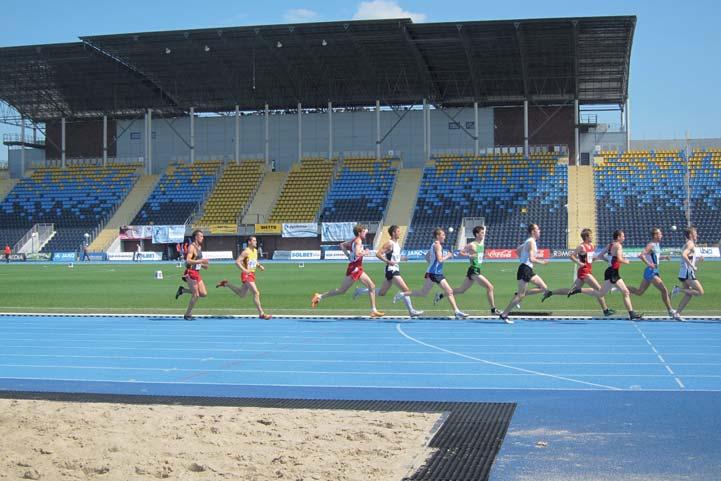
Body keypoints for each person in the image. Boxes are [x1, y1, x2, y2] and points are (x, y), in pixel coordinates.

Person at [311, 224, 384, 318]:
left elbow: (342, 245)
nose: (366, 233)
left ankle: (374, 310)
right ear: (359, 232)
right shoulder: (358, 241)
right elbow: (357, 253)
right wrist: (365, 252)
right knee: (342, 290)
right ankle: (319, 296)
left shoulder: (354, 240)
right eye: (364, 232)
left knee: (371, 286)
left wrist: (348, 256)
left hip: (356, 267)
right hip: (355, 268)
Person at [394, 228, 468, 319]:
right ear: (438, 236)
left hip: (432, 272)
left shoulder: (434, 244)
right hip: (435, 273)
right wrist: (448, 256)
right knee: (449, 291)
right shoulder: (438, 246)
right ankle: (457, 311)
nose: (444, 236)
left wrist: (432, 265)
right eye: (443, 235)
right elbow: (440, 260)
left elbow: (426, 256)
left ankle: (402, 294)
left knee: (423, 293)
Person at [352, 225, 423, 318]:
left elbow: (394, 257)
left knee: (382, 293)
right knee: (406, 290)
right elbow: (378, 254)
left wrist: (403, 258)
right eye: (398, 231)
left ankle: (360, 291)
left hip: (393, 269)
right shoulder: (389, 243)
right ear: (393, 233)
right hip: (392, 270)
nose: (400, 233)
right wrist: (388, 261)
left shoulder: (397, 244)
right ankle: (411, 311)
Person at [432, 225, 498, 314]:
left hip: (475, 269)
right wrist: (469, 255)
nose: (483, 234)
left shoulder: (481, 244)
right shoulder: (471, 244)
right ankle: (493, 309)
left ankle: (441, 295)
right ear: (477, 234)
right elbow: (461, 252)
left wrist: (481, 256)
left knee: (461, 290)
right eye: (482, 233)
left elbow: (478, 255)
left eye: (483, 233)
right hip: (474, 271)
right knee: (490, 287)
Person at [499, 223, 554, 324]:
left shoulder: (528, 241)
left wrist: (522, 259)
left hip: (527, 269)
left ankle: (517, 295)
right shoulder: (531, 242)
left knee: (543, 288)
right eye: (538, 229)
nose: (540, 230)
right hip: (525, 269)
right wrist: (543, 262)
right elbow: (532, 259)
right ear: (533, 231)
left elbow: (517, 251)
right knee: (521, 295)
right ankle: (504, 314)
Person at [586, 230, 643, 320]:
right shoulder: (618, 246)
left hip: (611, 271)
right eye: (623, 236)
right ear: (618, 237)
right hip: (613, 272)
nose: (624, 238)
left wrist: (608, 260)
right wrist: (626, 261)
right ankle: (581, 290)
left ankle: (632, 314)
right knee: (604, 293)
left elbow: (599, 256)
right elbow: (620, 259)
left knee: (611, 292)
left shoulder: (610, 245)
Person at [559, 228, 616, 317]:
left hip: (588, 270)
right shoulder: (581, 246)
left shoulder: (592, 246)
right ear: (586, 237)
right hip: (584, 271)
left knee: (570, 291)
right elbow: (571, 256)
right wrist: (579, 262)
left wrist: (604, 259)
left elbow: (591, 258)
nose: (592, 237)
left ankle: (551, 293)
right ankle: (606, 310)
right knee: (599, 289)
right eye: (590, 235)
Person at [627, 228, 680, 320]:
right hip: (651, 271)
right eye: (660, 234)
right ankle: (670, 311)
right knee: (664, 290)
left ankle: (622, 288)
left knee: (640, 292)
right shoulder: (651, 245)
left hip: (652, 271)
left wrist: (664, 257)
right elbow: (641, 255)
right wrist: (649, 264)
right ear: (655, 235)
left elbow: (655, 257)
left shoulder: (657, 245)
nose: (662, 235)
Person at [216, 235, 272, 319]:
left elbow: (254, 260)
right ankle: (261, 313)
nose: (256, 242)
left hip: (252, 274)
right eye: (254, 240)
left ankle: (227, 284)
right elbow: (237, 262)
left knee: (242, 294)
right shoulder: (246, 251)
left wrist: (259, 266)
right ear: (249, 242)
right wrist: (245, 270)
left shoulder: (255, 251)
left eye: (256, 240)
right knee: (256, 292)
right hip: (247, 274)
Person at [175, 230, 209, 320]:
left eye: (202, 236)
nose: (203, 237)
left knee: (204, 293)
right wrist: (201, 261)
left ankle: (182, 290)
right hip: (190, 272)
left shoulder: (199, 247)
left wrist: (203, 265)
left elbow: (196, 261)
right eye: (201, 236)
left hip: (197, 272)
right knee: (196, 294)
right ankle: (187, 314)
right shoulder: (191, 247)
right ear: (196, 237)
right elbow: (188, 260)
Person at [672, 227, 704, 320]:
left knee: (689, 294)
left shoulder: (687, 244)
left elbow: (688, 257)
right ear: (690, 235)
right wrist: (693, 266)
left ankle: (677, 313)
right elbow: (684, 255)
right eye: (695, 233)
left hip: (683, 272)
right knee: (700, 292)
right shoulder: (690, 244)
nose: (697, 235)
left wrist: (697, 260)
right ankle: (678, 290)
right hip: (687, 273)